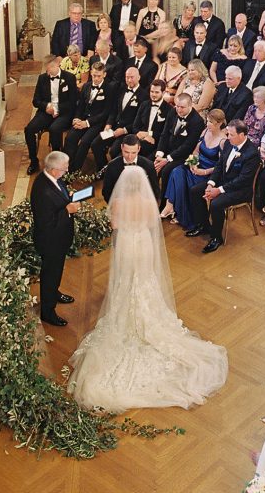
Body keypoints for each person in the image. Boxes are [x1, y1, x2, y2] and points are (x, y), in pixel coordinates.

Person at [68, 166, 227, 409]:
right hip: (143, 244)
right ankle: (148, 315)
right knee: (144, 281)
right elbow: (153, 227)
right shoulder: (148, 201)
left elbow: (115, 227)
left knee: (127, 281)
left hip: (128, 246)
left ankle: (127, 314)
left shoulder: (119, 203)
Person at [190, 118, 259, 253]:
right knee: (195, 191)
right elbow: (219, 165)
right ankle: (203, 225)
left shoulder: (252, 154)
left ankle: (216, 238)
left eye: (231, 135)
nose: (228, 137)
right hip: (224, 181)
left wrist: (219, 190)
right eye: (227, 134)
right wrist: (211, 183)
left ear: (242, 135)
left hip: (240, 189)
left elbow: (243, 180)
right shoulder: (228, 143)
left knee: (216, 204)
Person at [30, 151, 77, 326]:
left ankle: (54, 292)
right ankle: (48, 312)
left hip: (59, 238)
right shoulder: (42, 190)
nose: (67, 171)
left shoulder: (52, 179)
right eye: (65, 169)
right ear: (54, 170)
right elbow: (46, 223)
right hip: (50, 241)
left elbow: (59, 196)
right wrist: (67, 210)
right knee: (50, 273)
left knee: (55, 272)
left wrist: (68, 198)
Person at [162, 107, 226, 228]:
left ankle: (182, 214)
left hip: (209, 173)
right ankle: (170, 205)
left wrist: (204, 171)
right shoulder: (205, 131)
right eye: (207, 121)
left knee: (190, 185)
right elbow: (196, 151)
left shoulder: (223, 141)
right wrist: (193, 163)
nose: (208, 124)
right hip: (197, 166)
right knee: (176, 171)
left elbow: (221, 165)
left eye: (211, 122)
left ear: (219, 124)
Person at [25, 54, 77, 172]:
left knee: (55, 129)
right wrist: (47, 106)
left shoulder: (69, 78)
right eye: (46, 70)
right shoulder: (42, 78)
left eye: (50, 70)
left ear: (57, 65)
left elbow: (72, 102)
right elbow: (35, 101)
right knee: (29, 129)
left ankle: (57, 163)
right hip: (46, 112)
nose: (48, 73)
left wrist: (57, 108)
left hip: (64, 112)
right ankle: (33, 161)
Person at [152, 92, 204, 203]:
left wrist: (167, 159)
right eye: (177, 106)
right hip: (168, 151)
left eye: (182, 107)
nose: (179, 110)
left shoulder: (197, 121)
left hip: (184, 156)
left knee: (166, 171)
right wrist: (159, 154)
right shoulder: (173, 111)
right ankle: (153, 194)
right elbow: (165, 133)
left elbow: (188, 146)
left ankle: (165, 203)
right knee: (152, 162)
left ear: (190, 106)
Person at [100, 136, 160, 204]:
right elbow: (106, 192)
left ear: (139, 149)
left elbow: (155, 191)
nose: (130, 156)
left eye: (133, 153)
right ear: (121, 147)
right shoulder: (112, 166)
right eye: (126, 152)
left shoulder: (149, 165)